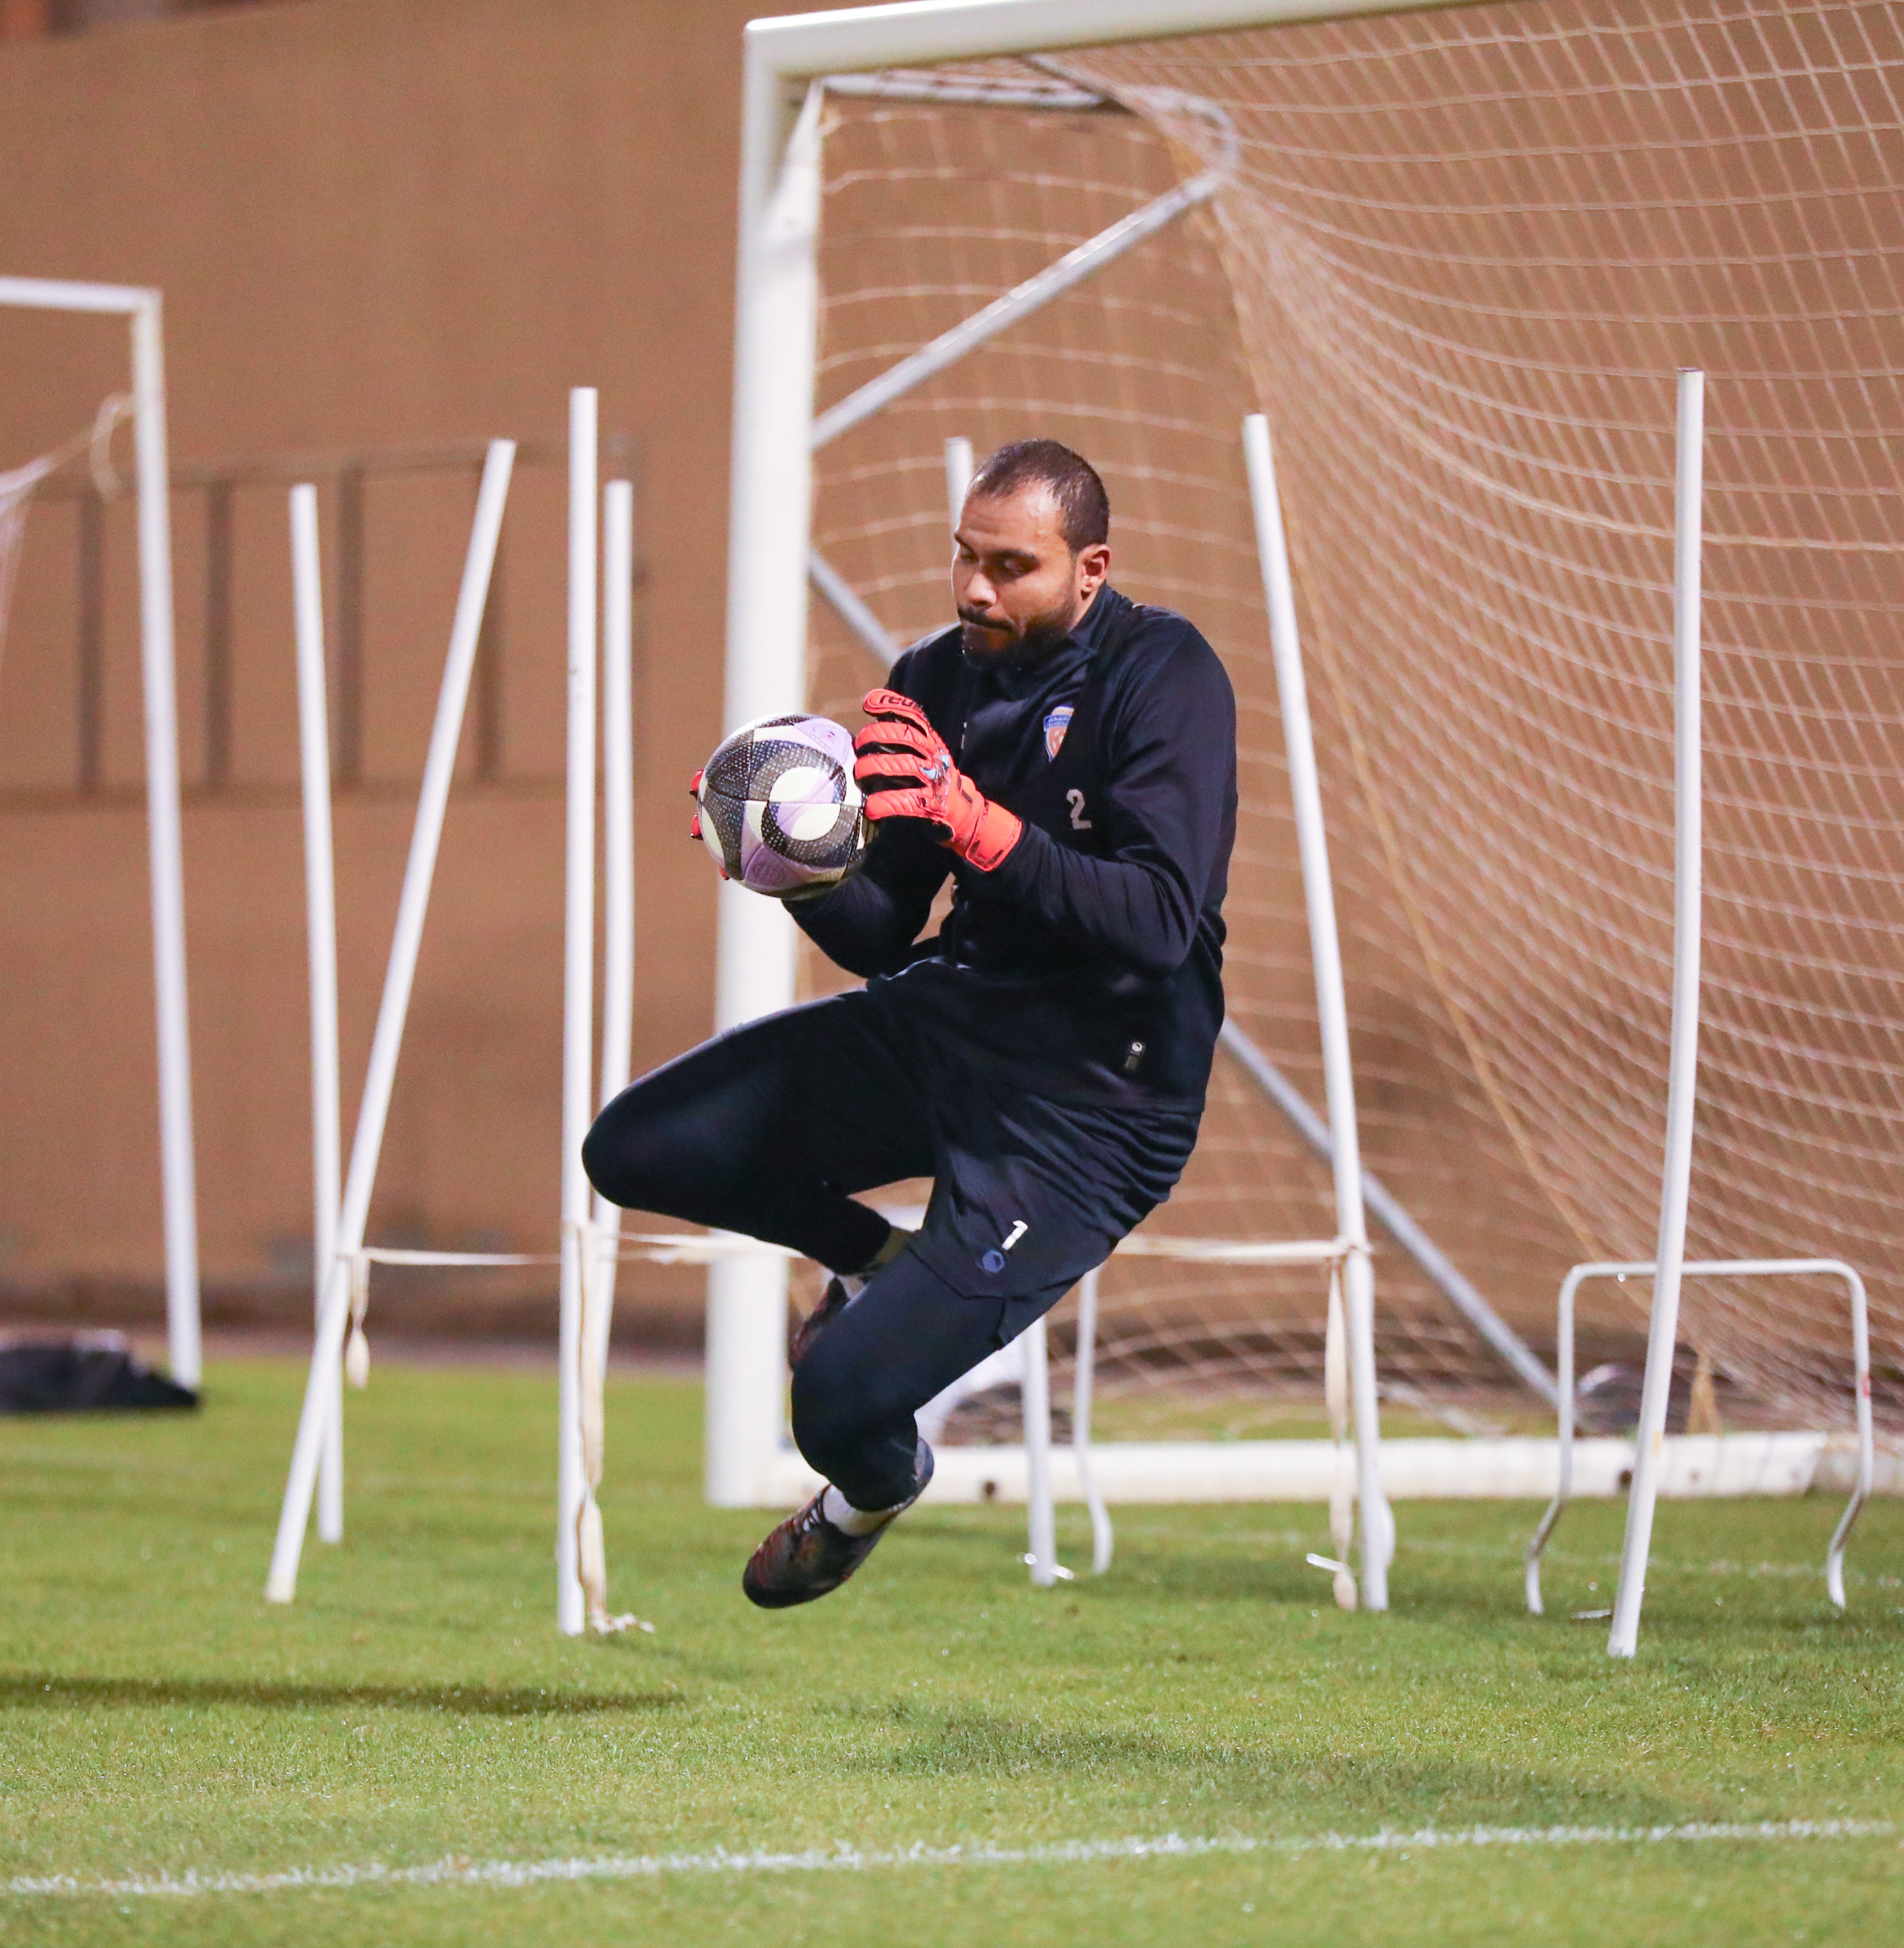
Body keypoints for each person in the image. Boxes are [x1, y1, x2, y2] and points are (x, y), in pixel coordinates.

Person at [583, 439, 1237, 1608]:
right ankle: (871, 1258)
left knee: (834, 1406)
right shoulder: (931, 679)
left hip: (1094, 1111)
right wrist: (799, 867)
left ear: (1091, 569)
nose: (976, 589)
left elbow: (1157, 922)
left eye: (1012, 566)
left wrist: (980, 825)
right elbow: (886, 935)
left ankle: (864, 1498)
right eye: (964, 556)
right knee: (635, 1148)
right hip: (950, 1024)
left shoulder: (1164, 672)